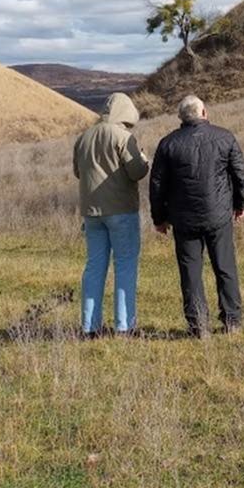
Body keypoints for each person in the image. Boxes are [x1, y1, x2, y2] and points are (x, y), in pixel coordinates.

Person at [149, 94, 244, 336]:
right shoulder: (225, 137)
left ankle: (198, 325)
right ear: (204, 112)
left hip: (183, 219)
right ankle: (232, 320)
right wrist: (240, 204)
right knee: (225, 266)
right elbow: (241, 175)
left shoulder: (168, 144)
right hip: (219, 214)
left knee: (190, 272)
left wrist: (159, 218)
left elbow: (157, 185)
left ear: (181, 118)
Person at [73, 92, 150, 337]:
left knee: (94, 267)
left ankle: (89, 327)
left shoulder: (83, 137)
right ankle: (124, 327)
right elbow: (136, 172)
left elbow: (78, 172)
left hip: (91, 213)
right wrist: (144, 160)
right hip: (121, 210)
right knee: (125, 265)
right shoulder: (122, 136)